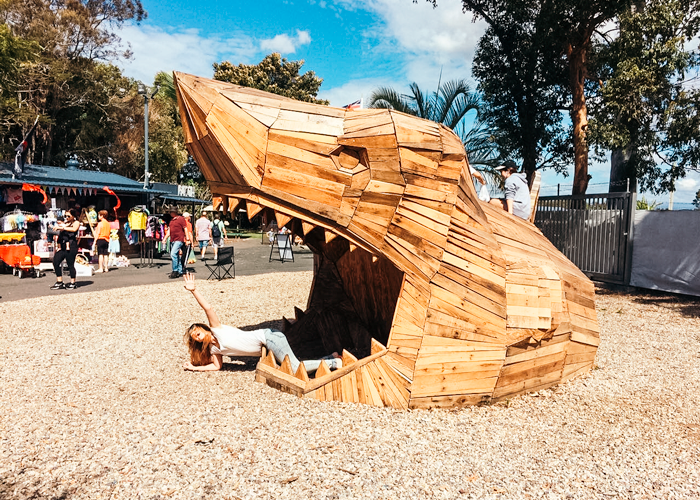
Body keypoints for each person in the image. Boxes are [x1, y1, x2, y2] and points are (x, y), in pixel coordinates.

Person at [181, 273, 342, 373]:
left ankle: (335, 362)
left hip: (269, 337)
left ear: (205, 328)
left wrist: (194, 290)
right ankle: (331, 357)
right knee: (294, 364)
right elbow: (216, 367)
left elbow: (208, 308)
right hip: (267, 342)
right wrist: (195, 368)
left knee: (294, 368)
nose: (197, 336)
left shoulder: (217, 330)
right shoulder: (215, 349)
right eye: (195, 337)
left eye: (197, 332)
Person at [50, 208, 81, 290]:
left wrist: (62, 228)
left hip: (72, 245)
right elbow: (60, 228)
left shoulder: (76, 222)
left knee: (70, 264)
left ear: (73, 216)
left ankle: (73, 282)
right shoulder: (66, 223)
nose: (66, 217)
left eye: (68, 216)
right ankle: (59, 281)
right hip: (63, 245)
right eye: (65, 216)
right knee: (56, 261)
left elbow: (74, 229)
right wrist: (55, 228)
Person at [165, 208, 190, 279]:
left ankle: (175, 270)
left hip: (179, 239)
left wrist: (187, 238)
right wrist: (165, 238)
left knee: (173, 253)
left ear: (174, 212)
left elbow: (185, 228)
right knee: (176, 255)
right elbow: (169, 230)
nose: (170, 213)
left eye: (171, 212)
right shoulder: (172, 221)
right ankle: (180, 270)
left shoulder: (181, 219)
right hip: (172, 239)